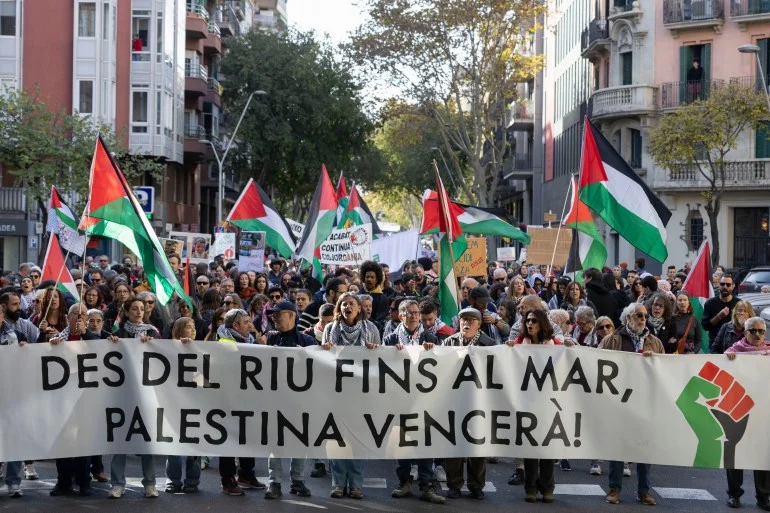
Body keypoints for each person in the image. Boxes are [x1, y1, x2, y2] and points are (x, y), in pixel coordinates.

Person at [598, 303, 663, 506]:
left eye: (644, 315)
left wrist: (656, 361)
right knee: (618, 447)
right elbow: (596, 363)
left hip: (644, 402)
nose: (642, 319)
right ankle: (614, 489)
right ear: (627, 318)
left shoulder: (655, 342)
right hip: (618, 402)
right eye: (638, 315)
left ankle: (644, 491)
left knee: (644, 447)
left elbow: (664, 370)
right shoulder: (612, 340)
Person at [383, 299, 445, 504]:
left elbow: (440, 365)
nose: (413, 316)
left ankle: (427, 485)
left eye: (416, 312)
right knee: (403, 443)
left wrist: (432, 349)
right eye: (409, 312)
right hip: (400, 400)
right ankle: (404, 482)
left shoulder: (430, 337)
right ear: (400, 315)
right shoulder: (391, 338)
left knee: (426, 443)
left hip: (424, 400)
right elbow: (381, 366)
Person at [321, 292, 380, 499]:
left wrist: (374, 350)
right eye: (344, 303)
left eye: (352, 303)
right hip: (337, 395)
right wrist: (326, 349)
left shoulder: (371, 328)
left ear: (358, 308)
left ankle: (356, 485)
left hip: (361, 394)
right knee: (338, 440)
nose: (348, 306)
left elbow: (379, 361)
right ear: (339, 308)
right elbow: (323, 361)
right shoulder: (330, 329)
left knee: (357, 440)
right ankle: (338, 484)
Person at [263, 301, 315, 499]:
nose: (274, 318)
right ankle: (274, 482)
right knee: (275, 442)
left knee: (300, 440)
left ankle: (297, 480)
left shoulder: (308, 341)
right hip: (275, 399)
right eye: (273, 315)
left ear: (292, 315)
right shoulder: (269, 339)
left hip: (300, 400)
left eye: (279, 314)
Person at [506, 309, 558, 502]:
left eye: (534, 321)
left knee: (546, 448)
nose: (530, 324)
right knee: (529, 447)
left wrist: (570, 346)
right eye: (527, 320)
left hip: (549, 404)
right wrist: (509, 348)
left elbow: (569, 358)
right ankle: (531, 487)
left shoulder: (554, 344)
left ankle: (547, 488)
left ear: (542, 323)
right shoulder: (520, 344)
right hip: (526, 403)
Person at [442, 308, 494, 499]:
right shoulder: (450, 341)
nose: (467, 323)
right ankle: (454, 484)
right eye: (464, 319)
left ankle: (476, 485)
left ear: (479, 323)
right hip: (455, 401)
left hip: (478, 401)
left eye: (472, 320)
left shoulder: (488, 343)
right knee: (454, 444)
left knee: (477, 446)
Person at [722, 316, 770, 509]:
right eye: (752, 330)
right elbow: (722, 372)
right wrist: (728, 359)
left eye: (760, 331)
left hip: (763, 412)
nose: (757, 334)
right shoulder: (734, 351)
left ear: (765, 333)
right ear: (745, 332)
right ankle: (734, 494)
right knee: (735, 453)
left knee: (763, 454)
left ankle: (763, 496)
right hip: (737, 410)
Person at [216, 309, 265, 494]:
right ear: (235, 326)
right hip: (228, 400)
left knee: (247, 437)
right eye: (246, 322)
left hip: (248, 399)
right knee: (228, 440)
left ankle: (246, 474)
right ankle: (228, 480)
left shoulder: (249, 341)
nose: (250, 325)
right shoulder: (224, 342)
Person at [165, 318, 200, 494]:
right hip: (174, 403)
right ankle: (174, 480)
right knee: (174, 445)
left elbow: (203, 379)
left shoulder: (202, 349)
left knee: (194, 445)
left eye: (194, 327)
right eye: (188, 327)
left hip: (195, 404)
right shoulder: (166, 349)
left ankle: (192, 480)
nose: (192, 330)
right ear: (179, 330)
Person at [702, 274, 741, 350]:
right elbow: (705, 326)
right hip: (715, 345)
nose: (725, 286)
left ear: (733, 287)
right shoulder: (710, 303)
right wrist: (719, 316)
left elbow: (746, 326)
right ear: (719, 285)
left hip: (734, 346)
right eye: (722, 284)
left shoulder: (739, 304)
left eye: (728, 285)